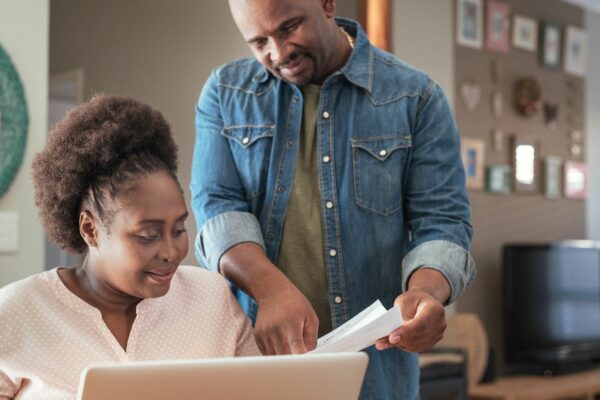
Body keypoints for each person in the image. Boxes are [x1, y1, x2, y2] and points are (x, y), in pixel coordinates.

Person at [191, 0, 476, 398]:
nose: (278, 52)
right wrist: (270, 289)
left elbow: (442, 221)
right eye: (258, 42)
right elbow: (217, 207)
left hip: (376, 371)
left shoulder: (417, 97)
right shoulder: (224, 93)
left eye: (289, 27)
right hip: (255, 363)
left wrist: (426, 294)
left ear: (327, 3)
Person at [0, 95, 259, 399]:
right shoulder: (15, 312)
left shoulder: (212, 299)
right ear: (90, 229)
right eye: (148, 235)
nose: (171, 252)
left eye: (178, 229)